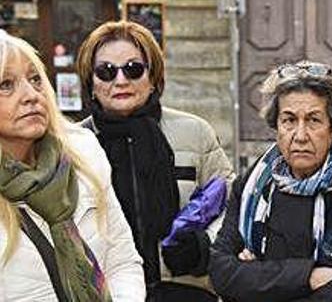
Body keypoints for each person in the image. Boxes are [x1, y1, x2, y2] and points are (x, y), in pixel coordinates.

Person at [75, 20, 235, 300]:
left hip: (186, 288)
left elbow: (232, 203)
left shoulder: (195, 131)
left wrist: (204, 243)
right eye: (106, 71)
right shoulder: (74, 144)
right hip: (107, 293)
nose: (121, 81)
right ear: (91, 82)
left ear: (153, 79)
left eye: (134, 69)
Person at [209, 60, 332, 301]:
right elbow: (222, 273)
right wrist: (309, 276)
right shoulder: (252, 187)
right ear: (276, 126)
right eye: (289, 120)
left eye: (313, 120)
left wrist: (258, 279)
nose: (300, 136)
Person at [0, 32, 145, 300]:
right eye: (5, 85)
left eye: (35, 80)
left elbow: (122, 261)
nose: (31, 95)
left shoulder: (83, 154)